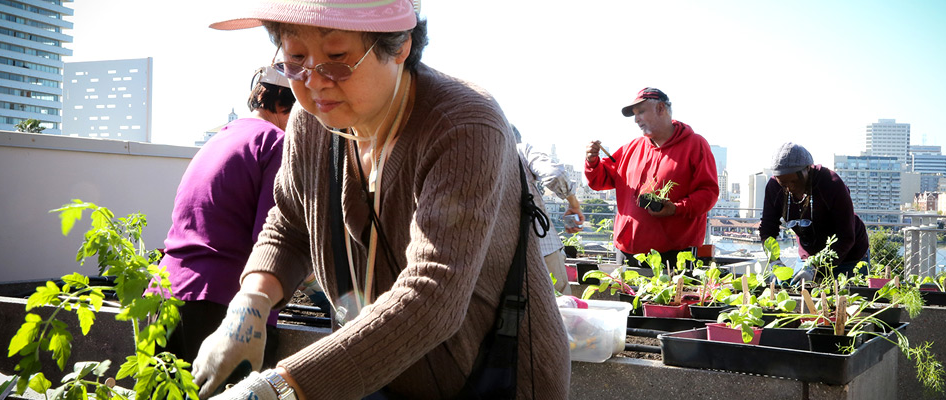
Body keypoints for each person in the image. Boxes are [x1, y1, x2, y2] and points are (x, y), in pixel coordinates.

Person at [194, 1, 570, 399]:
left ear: (399, 46)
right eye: (295, 59)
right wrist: (251, 301)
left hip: (496, 377)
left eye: (337, 59)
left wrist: (280, 389)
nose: (315, 81)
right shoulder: (314, 122)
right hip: (383, 376)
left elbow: (432, 294)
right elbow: (290, 226)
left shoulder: (463, 124)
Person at [155, 65, 295, 366]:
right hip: (222, 305)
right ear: (290, 105)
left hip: (165, 293)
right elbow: (274, 239)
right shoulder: (276, 143)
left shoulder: (222, 137)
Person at [584, 87, 719, 268]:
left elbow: (708, 193)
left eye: (640, 112)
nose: (636, 119)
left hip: (675, 254)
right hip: (628, 251)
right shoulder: (631, 148)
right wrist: (592, 161)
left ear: (661, 108)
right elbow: (600, 180)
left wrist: (676, 209)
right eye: (634, 114)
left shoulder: (695, 144)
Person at [759, 142, 869, 282]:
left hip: (849, 257)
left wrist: (814, 268)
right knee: (802, 295)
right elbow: (767, 229)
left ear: (808, 170)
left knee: (845, 299)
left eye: (794, 181)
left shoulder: (831, 183)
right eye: (784, 184)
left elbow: (846, 236)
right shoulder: (774, 187)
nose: (790, 187)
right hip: (808, 257)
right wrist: (775, 263)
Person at [513, 126, 584, 295]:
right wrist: (574, 204)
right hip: (540, 245)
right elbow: (555, 174)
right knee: (561, 305)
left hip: (495, 253)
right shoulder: (520, 149)